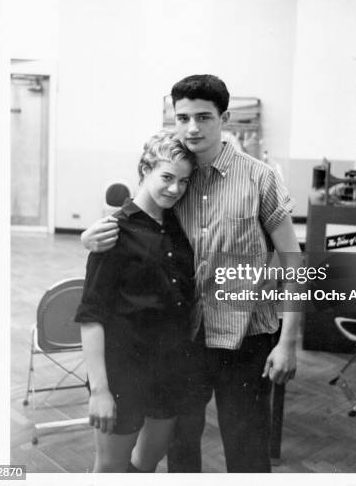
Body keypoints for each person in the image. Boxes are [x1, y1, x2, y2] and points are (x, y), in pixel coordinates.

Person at [81, 75, 302, 472]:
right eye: (182, 118)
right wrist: (92, 234)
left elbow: (293, 259)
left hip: (246, 337)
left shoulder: (259, 177)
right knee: (181, 449)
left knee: (247, 449)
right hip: (186, 340)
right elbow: (139, 221)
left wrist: (289, 341)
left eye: (203, 117)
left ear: (225, 118)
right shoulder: (177, 175)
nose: (192, 128)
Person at [75, 131, 196, 472]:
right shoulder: (113, 232)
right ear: (144, 171)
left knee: (147, 463)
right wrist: (99, 391)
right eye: (167, 177)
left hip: (170, 368)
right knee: (111, 468)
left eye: (183, 181)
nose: (175, 189)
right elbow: (91, 316)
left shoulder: (178, 225)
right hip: (122, 371)